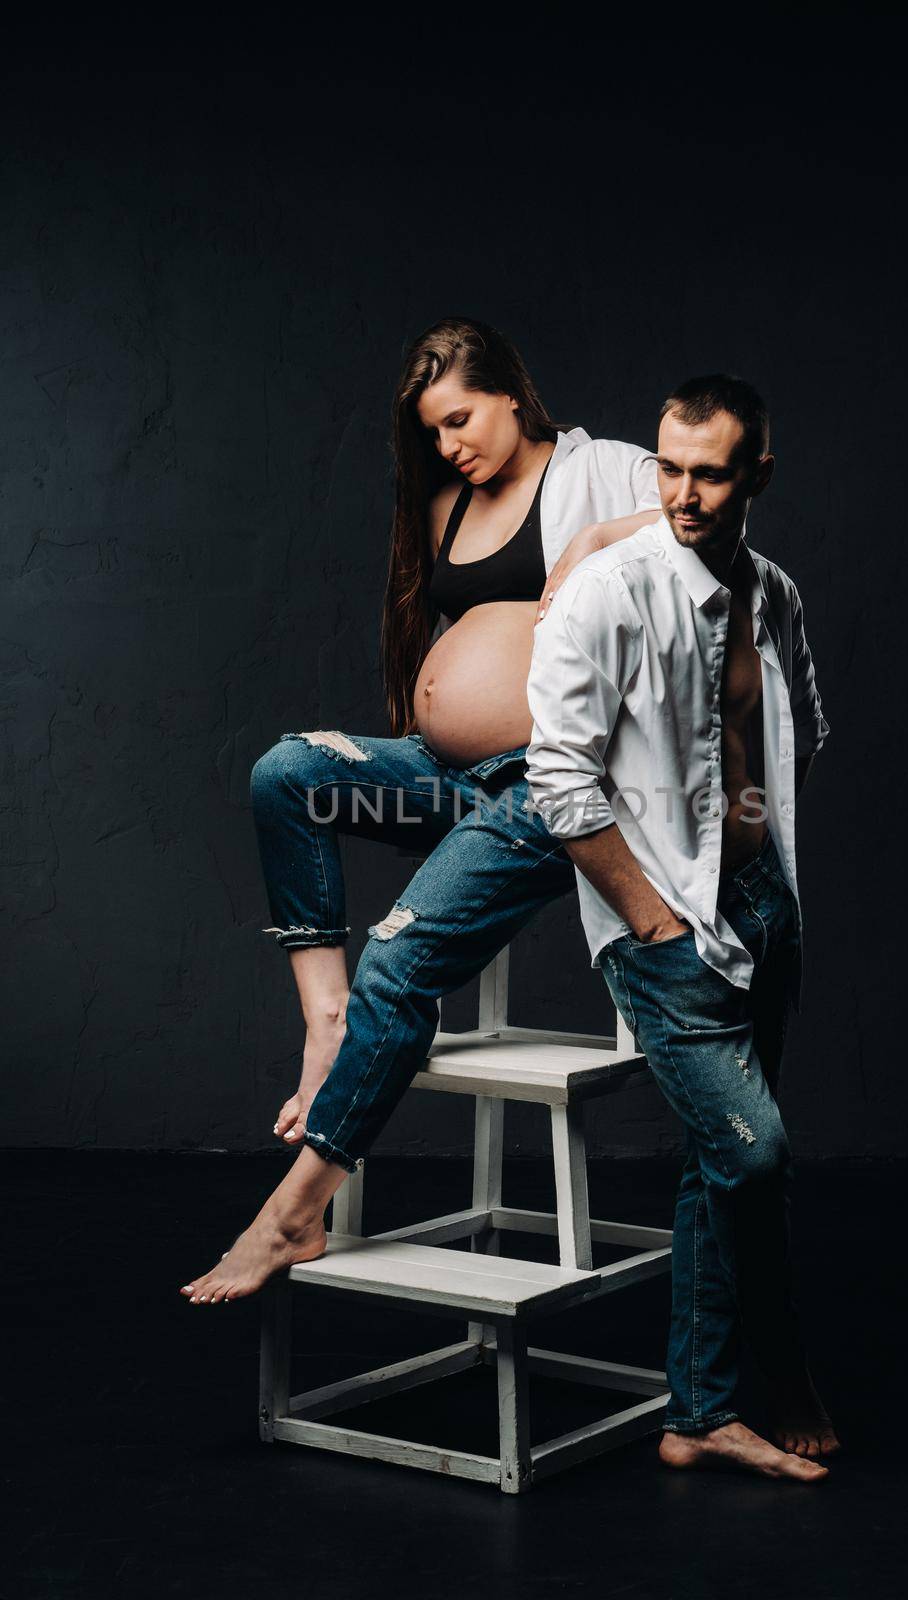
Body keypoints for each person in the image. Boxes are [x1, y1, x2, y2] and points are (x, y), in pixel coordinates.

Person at [179, 317, 660, 1304]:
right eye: (432, 431)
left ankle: (294, 1211)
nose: (449, 446)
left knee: (401, 953)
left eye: (460, 419)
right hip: (454, 776)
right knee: (286, 769)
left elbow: (718, 505)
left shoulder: (600, 472)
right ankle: (327, 1024)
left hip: (552, 783)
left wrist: (610, 533)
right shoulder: (445, 503)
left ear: (513, 395)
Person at [524, 373, 839, 1483]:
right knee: (752, 1151)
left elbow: (793, 734)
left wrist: (760, 863)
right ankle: (771, 1365)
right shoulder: (610, 591)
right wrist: (652, 917)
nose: (683, 493)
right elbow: (556, 781)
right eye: (666, 466)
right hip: (659, 923)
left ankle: (700, 1409)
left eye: (708, 471)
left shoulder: (777, 593)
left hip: (761, 908)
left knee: (721, 1164)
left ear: (756, 471)